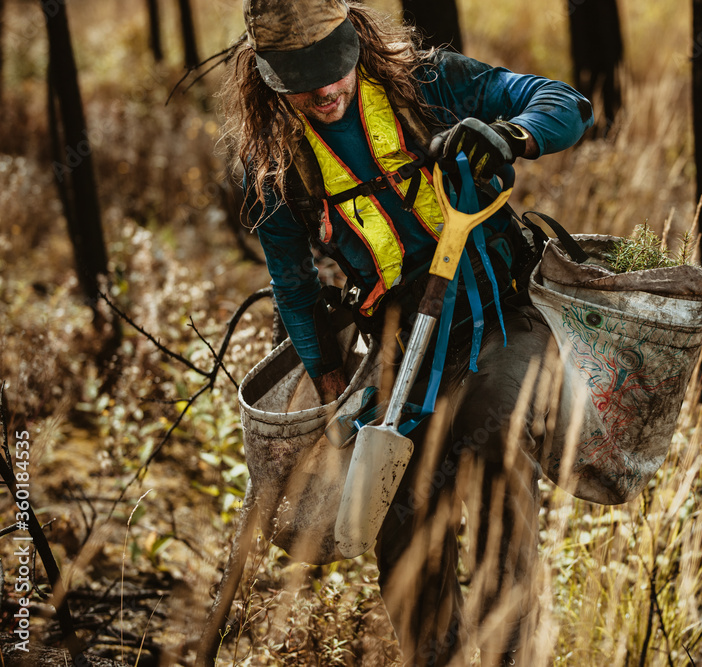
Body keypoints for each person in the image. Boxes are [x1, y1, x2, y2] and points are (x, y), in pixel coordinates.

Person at [221, 1, 593, 664]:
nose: (324, 90)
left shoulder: (431, 83)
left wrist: (513, 135)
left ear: (355, 39)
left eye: (331, 68)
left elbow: (563, 101)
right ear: (268, 76)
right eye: (301, 79)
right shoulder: (277, 166)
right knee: (399, 525)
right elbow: (294, 287)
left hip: (498, 316)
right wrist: (332, 383)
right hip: (401, 347)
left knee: (498, 451)